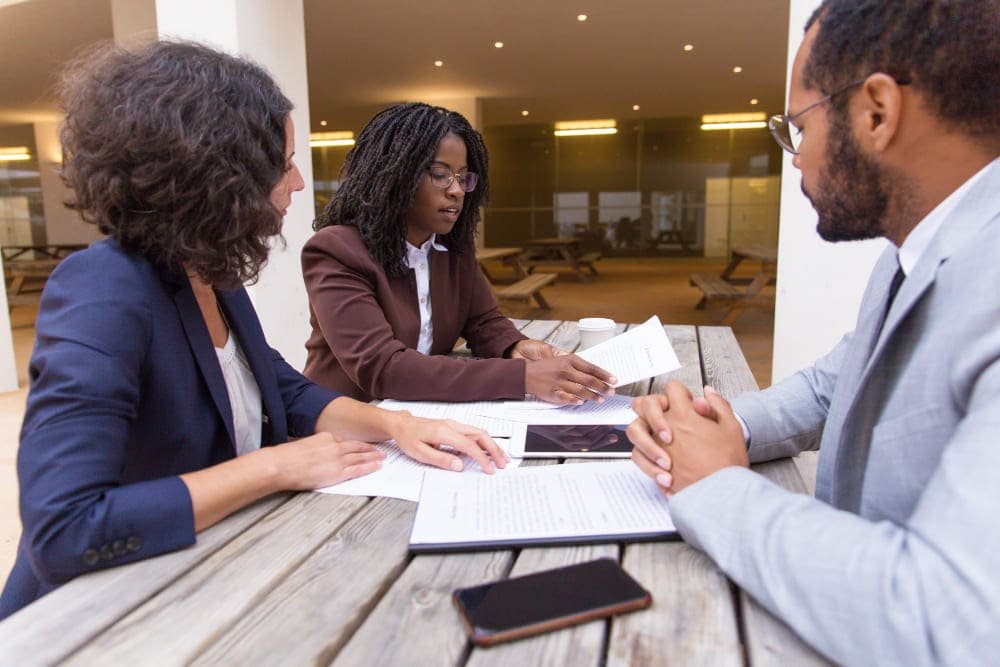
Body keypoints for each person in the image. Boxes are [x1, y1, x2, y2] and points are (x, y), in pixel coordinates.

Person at [0, 42, 507, 620]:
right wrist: (275, 467)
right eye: (284, 163)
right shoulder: (101, 290)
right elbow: (64, 530)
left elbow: (284, 389)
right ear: (217, 170)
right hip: (96, 615)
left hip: (213, 572)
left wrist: (395, 423)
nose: (296, 184)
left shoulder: (211, 274)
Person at [628, 1, 999, 664]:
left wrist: (716, 485)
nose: (794, 158)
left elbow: (949, 618)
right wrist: (717, 423)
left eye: (798, 124)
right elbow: (837, 383)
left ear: (876, 112)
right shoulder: (915, 251)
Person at [301, 103, 616, 404]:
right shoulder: (337, 251)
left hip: (422, 413)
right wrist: (522, 376)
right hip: (345, 426)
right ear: (395, 175)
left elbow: (482, 320)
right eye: (440, 174)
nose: (456, 190)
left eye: (463, 177)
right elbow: (382, 368)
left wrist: (517, 347)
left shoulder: (451, 247)